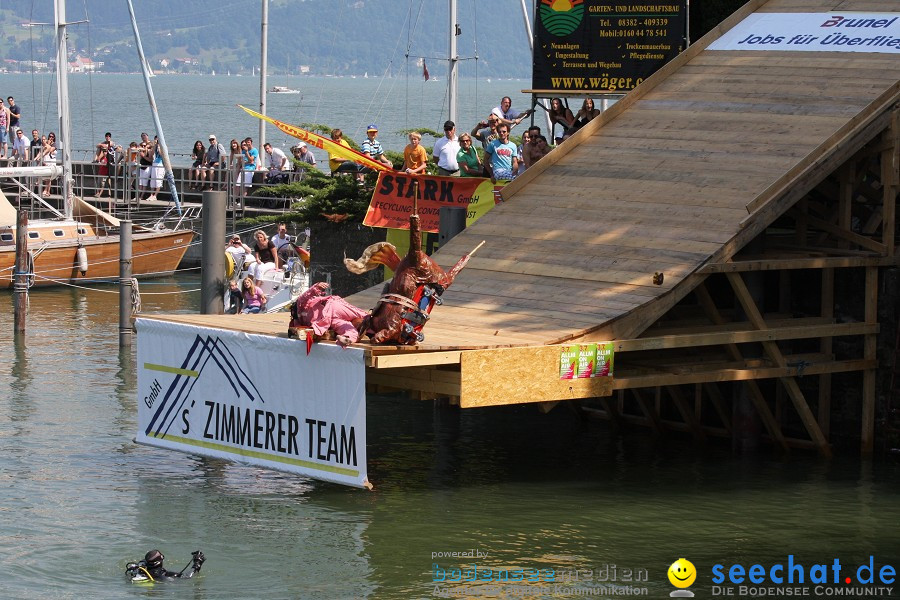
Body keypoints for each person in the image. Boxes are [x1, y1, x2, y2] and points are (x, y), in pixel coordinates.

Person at [288, 281, 368, 347]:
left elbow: (305, 297)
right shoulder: (301, 307)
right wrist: (316, 287)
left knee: (347, 325)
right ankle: (346, 337)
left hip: (327, 319)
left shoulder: (300, 311)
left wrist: (316, 287)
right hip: (331, 310)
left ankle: (346, 337)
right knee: (362, 315)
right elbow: (305, 296)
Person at [126, 549, 204, 582]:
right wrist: (197, 563)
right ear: (159, 562)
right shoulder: (164, 574)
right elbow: (188, 577)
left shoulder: (142, 567)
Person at [40, 132, 58, 197]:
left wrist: (49, 144)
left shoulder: (54, 144)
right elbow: (43, 151)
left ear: (54, 138)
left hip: (52, 163)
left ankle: (47, 191)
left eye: (52, 137)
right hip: (47, 161)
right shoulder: (46, 144)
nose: (51, 138)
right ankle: (46, 190)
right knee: (46, 177)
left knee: (49, 178)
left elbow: (50, 150)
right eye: (50, 136)